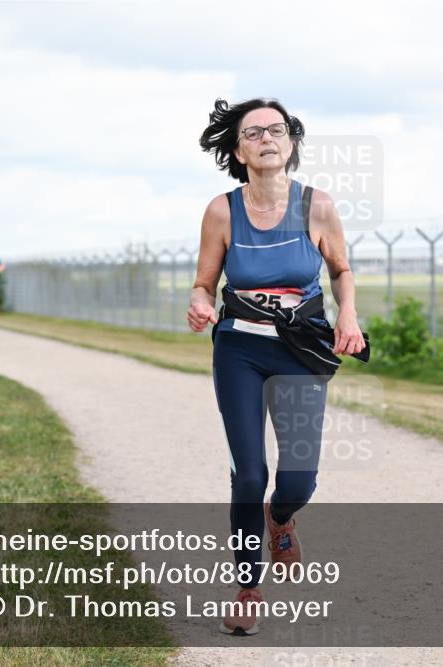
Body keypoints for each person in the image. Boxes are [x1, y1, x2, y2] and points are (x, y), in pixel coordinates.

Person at [189, 98, 368, 636]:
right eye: (254, 132)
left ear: (290, 142)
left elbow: (341, 271)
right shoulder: (222, 210)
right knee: (248, 475)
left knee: (298, 480)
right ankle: (247, 586)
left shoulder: (317, 205)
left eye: (277, 129)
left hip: (299, 347)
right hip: (240, 348)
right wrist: (199, 301)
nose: (267, 137)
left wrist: (349, 316)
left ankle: (281, 517)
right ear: (238, 149)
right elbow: (205, 281)